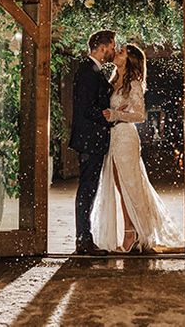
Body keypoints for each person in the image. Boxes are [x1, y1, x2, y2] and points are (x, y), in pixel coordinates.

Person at [91, 43, 184, 253]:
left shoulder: (133, 83)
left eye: (121, 51)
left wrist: (117, 115)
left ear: (130, 59)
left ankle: (132, 234)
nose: (116, 53)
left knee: (130, 186)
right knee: (119, 186)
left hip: (125, 137)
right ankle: (131, 231)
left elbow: (141, 115)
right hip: (113, 136)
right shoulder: (114, 80)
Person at [68, 29, 116, 255]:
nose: (113, 50)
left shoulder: (93, 70)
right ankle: (83, 241)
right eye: (112, 46)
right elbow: (87, 108)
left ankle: (84, 239)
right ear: (102, 46)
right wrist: (107, 116)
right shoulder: (88, 71)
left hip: (91, 139)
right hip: (89, 140)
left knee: (89, 189)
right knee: (87, 190)